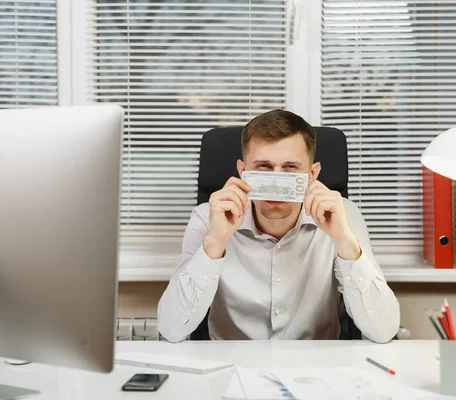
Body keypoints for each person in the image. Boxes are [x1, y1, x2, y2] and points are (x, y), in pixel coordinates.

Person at [157, 109, 400, 343]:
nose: (277, 179)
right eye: (263, 167)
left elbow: (383, 331)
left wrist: (345, 244)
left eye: (290, 168)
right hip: (231, 365)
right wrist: (214, 244)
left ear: (313, 174)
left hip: (316, 368)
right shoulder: (208, 217)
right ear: (243, 171)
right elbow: (171, 329)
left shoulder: (342, 215)